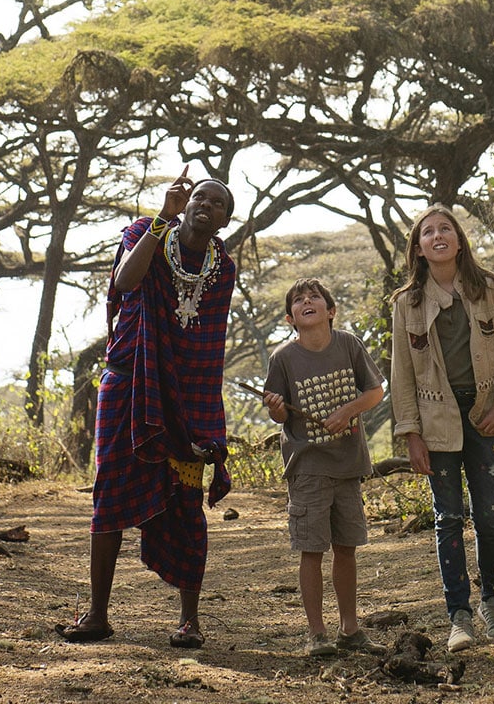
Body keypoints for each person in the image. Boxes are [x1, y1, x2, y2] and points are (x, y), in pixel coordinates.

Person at [58, 171, 237, 649]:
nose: (204, 203)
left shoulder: (223, 267)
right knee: (110, 490)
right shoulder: (144, 232)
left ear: (223, 221)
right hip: (126, 381)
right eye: (198, 195)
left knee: (186, 501)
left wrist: (204, 419)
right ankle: (97, 615)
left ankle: (189, 621)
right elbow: (126, 279)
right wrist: (163, 219)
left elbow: (207, 348)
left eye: (216, 203)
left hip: (187, 398)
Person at [389, 206, 494, 652]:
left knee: (488, 518)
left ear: (460, 239)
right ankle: (459, 617)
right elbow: (402, 377)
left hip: (485, 414)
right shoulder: (406, 302)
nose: (437, 235)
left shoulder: (488, 288)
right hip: (436, 422)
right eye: (427, 232)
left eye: (445, 228)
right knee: (447, 519)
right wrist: (410, 433)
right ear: (419, 248)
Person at [261, 279, 386, 658]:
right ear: (290, 318)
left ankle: (350, 629)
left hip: (348, 464)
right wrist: (277, 408)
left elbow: (375, 391)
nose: (307, 302)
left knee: (346, 548)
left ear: (331, 311)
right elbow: (276, 413)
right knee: (311, 549)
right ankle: (317, 634)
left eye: (314, 297)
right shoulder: (283, 358)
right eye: (298, 300)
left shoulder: (348, 344)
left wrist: (346, 411)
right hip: (308, 466)